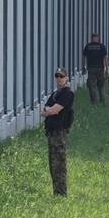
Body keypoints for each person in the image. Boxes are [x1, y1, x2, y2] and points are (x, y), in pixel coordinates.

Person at [41, 68, 75, 196]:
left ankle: (61, 192)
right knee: (53, 164)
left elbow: (54, 110)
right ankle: (56, 191)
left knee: (59, 164)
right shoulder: (55, 94)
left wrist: (49, 110)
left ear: (66, 78)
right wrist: (48, 110)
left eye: (62, 76)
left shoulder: (67, 93)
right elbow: (43, 111)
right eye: (57, 76)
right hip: (51, 133)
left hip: (59, 133)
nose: (59, 78)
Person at [81, 33, 108, 105]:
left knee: (92, 86)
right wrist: (106, 69)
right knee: (101, 86)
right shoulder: (102, 46)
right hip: (100, 68)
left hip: (91, 68)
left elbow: (84, 57)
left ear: (91, 38)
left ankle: (94, 102)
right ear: (97, 38)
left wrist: (83, 67)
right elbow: (105, 58)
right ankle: (103, 101)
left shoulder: (88, 46)